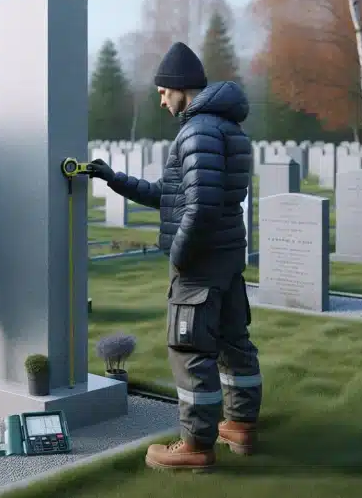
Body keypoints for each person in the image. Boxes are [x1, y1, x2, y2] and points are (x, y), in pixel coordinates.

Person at [89, 42, 262, 470]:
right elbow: (175, 197)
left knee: (190, 351)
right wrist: (116, 180)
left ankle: (195, 446)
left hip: (200, 262)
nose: (160, 98)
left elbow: (199, 207)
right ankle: (239, 424)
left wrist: (181, 255)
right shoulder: (224, 126)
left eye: (163, 91)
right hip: (225, 258)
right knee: (233, 342)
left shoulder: (198, 130)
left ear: (179, 87)